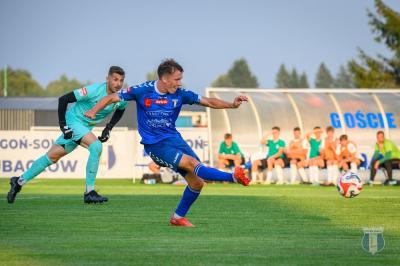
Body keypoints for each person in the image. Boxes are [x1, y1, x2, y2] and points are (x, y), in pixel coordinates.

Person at [84, 59, 250, 227]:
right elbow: (112, 97)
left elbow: (208, 101)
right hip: (155, 145)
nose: (180, 83)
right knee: (193, 164)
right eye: (177, 79)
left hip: (174, 140)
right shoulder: (143, 90)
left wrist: (231, 105)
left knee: (197, 181)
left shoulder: (180, 93)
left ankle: (177, 217)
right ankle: (233, 177)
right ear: (165, 78)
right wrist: (93, 110)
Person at [7, 66, 127, 204]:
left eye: (121, 80)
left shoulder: (120, 97)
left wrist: (108, 128)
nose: (118, 84)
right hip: (73, 122)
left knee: (51, 157)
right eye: (115, 79)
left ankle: (19, 181)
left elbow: (121, 109)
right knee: (96, 146)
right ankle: (89, 192)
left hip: (83, 127)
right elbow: (64, 99)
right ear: (107, 79)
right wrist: (63, 125)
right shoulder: (93, 90)